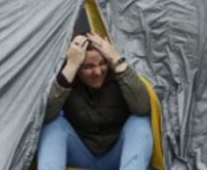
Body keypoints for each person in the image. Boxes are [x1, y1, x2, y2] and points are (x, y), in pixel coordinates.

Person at [37, 33, 152, 170]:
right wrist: (70, 67)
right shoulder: (68, 77)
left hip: (117, 153)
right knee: (53, 125)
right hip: (81, 153)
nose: (97, 72)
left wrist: (115, 59)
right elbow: (45, 117)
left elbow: (142, 108)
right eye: (88, 67)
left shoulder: (118, 76)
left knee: (140, 122)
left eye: (103, 63)